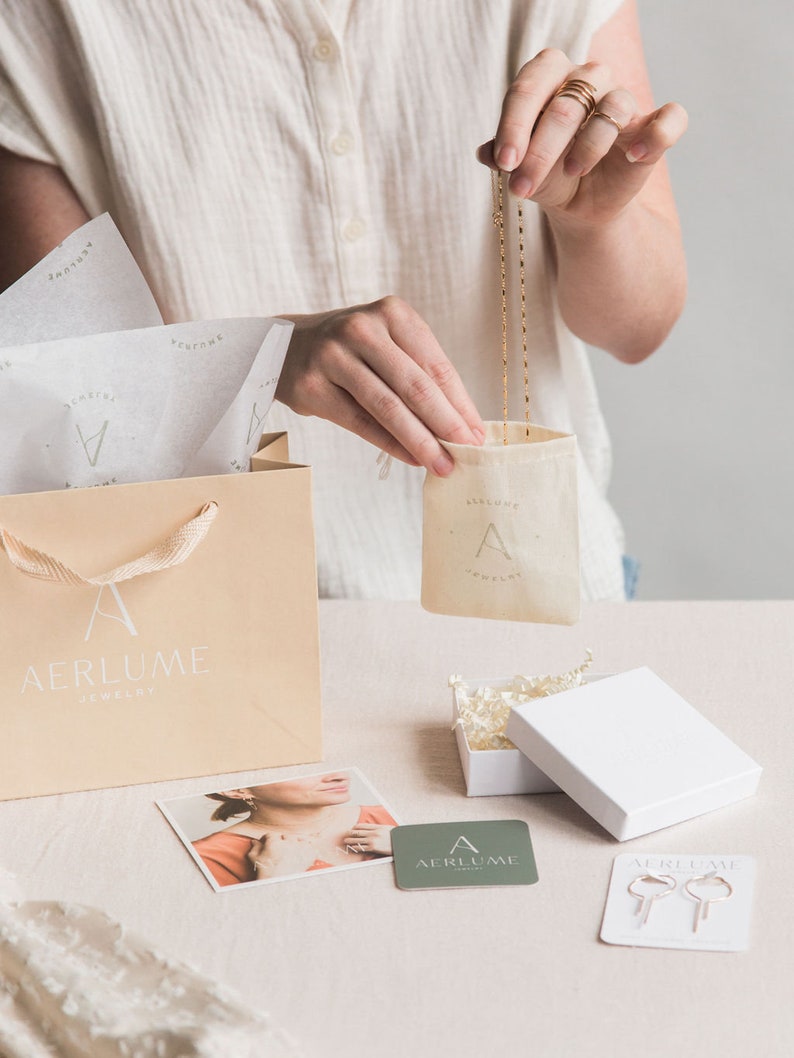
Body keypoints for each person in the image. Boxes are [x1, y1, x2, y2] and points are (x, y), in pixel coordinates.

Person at [0, 0, 686, 601]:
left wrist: (595, 222)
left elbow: (640, 330)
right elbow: (67, 415)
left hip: (550, 593)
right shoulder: (40, 19)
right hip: (230, 633)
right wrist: (267, 353)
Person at [193, 771, 396, 887]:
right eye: (302, 773)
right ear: (237, 790)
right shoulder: (209, 857)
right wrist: (275, 877)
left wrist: (415, 847)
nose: (339, 776)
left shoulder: (388, 815)